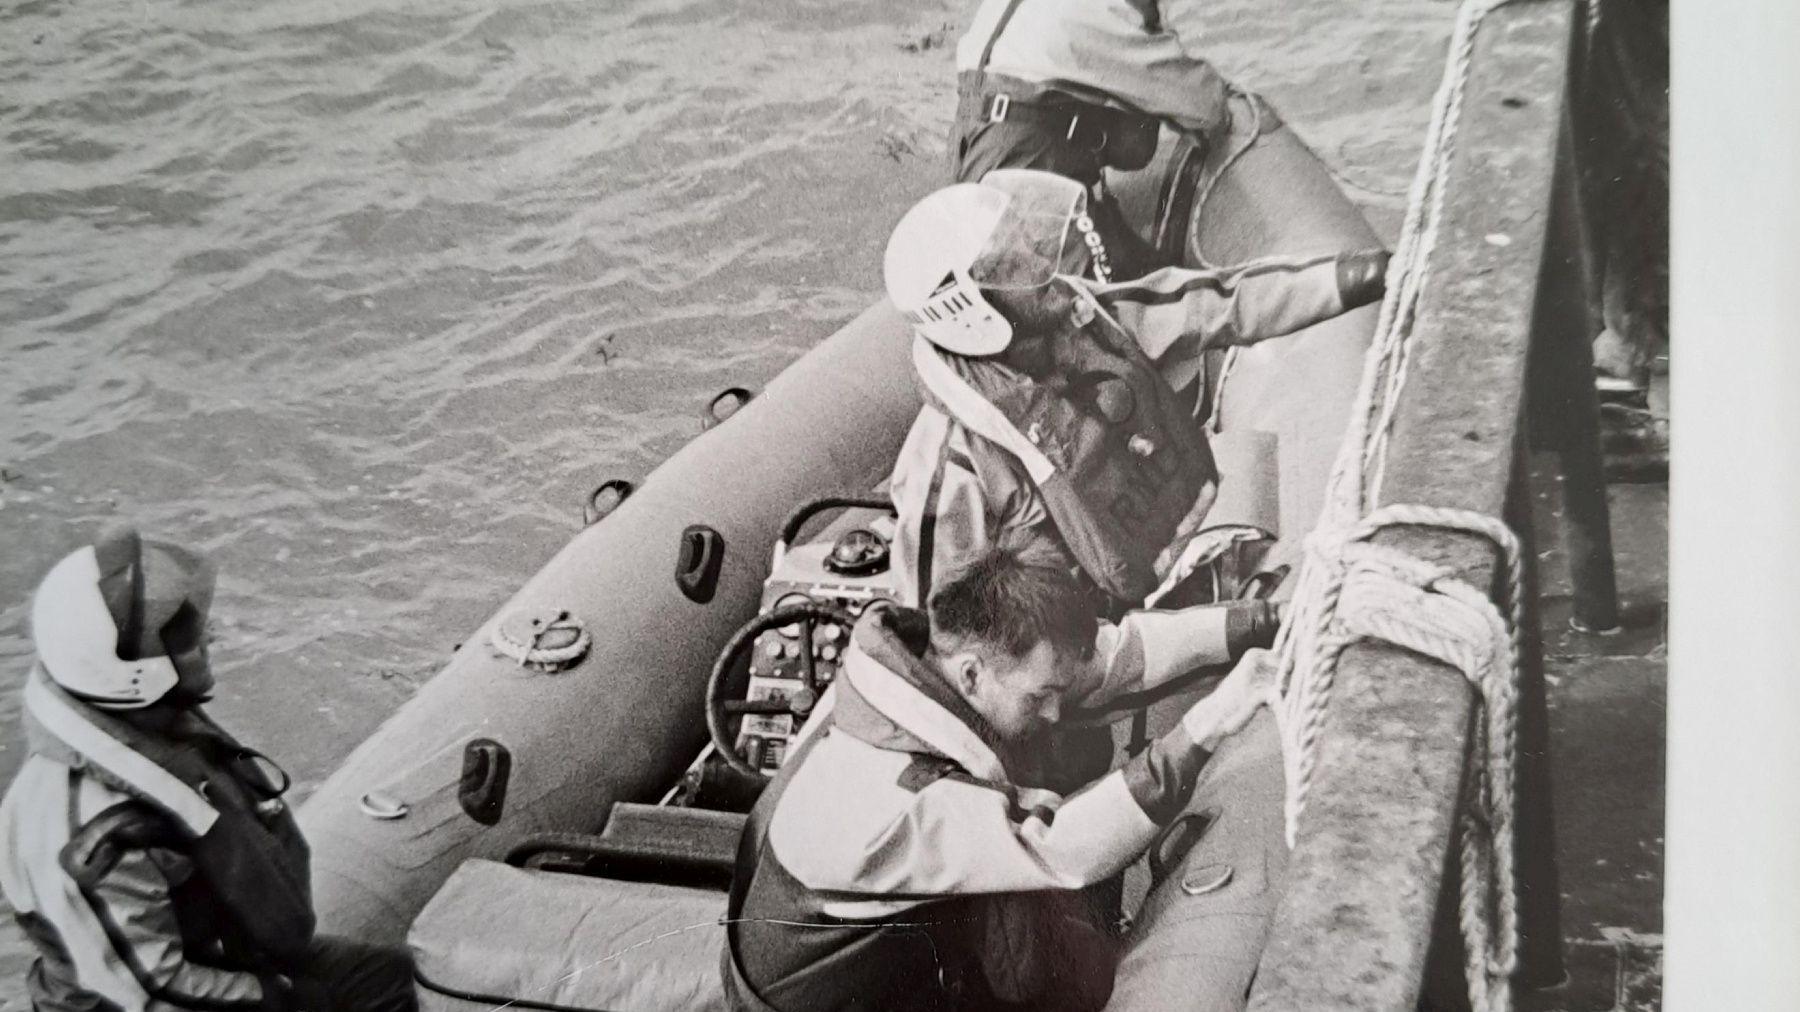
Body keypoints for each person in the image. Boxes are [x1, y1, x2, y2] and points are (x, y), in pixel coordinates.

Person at [721, 546, 1279, 1012]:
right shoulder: (905, 797)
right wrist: (1209, 724)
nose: (1058, 713)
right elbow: (1062, 848)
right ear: (971, 675)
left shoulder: (932, 663)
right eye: (1041, 698)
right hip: (810, 1000)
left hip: (881, 936)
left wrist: (1259, 622)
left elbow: (1109, 663)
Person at [884, 168, 1385, 611]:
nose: (1038, 262)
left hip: (1156, 564)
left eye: (1020, 246)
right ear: (973, 313)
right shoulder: (952, 465)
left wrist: (1355, 279)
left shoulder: (1082, 321)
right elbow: (944, 627)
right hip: (1066, 646)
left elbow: (1219, 304)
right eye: (1006, 267)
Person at [0, 528, 417, 1012]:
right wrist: (278, 995)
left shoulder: (147, 722)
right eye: (185, 637)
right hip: (134, 1001)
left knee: (387, 978)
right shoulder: (95, 834)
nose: (211, 634)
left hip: (217, 956)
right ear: (133, 677)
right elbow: (148, 987)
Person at [950, 0, 1247, 278]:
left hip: (972, 153)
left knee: (1149, 270)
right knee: (1142, 303)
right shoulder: (1103, 9)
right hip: (1027, 171)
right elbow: (1206, 106)